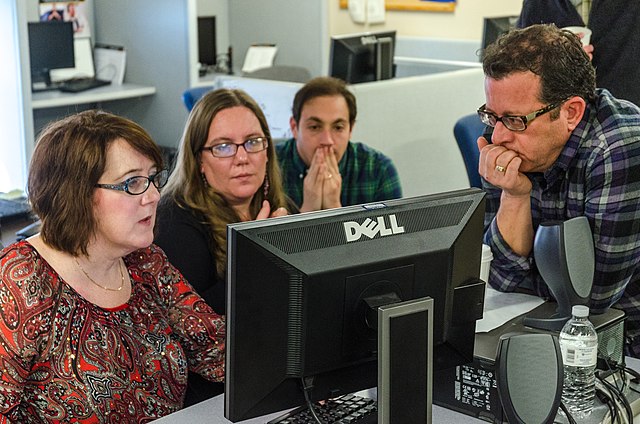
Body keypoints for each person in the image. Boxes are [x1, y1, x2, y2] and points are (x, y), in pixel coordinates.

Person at [0, 110, 225, 422]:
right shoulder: (20, 280)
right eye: (133, 182)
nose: (154, 196)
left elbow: (217, 351)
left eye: (152, 178)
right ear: (76, 193)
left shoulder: (146, 262)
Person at [476, 24, 640, 356]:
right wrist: (515, 195)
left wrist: (529, 273)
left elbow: (589, 300)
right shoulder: (505, 137)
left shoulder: (618, 148)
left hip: (625, 343)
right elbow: (497, 279)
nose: (497, 138)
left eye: (514, 120)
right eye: (492, 116)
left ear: (570, 112)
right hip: (541, 330)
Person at [154, 88, 293, 405]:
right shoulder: (174, 222)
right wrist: (257, 255)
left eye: (253, 142)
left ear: (268, 151)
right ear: (199, 160)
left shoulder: (280, 206)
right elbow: (199, 328)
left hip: (277, 375)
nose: (242, 157)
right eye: (224, 147)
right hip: (212, 394)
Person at [276, 76, 402, 212]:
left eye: (338, 128)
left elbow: (398, 231)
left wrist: (334, 207)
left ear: (351, 129)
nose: (327, 140)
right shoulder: (269, 165)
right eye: (314, 127)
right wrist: (309, 209)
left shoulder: (378, 169)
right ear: (294, 127)